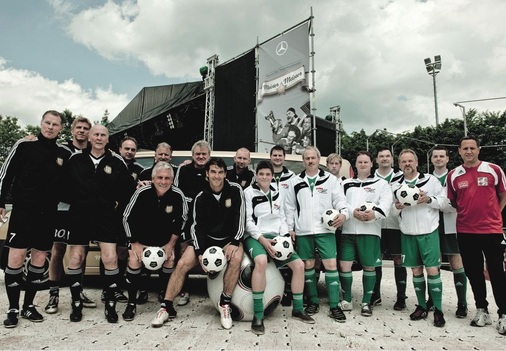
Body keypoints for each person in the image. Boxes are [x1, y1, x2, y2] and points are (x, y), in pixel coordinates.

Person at [151, 157, 245, 329]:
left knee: (237, 258)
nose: (217, 176)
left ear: (225, 174)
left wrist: (235, 241)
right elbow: (196, 227)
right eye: (213, 172)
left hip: (228, 241)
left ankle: (224, 304)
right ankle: (166, 307)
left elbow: (241, 219)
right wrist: (200, 252)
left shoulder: (235, 190)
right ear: (207, 174)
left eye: (220, 172)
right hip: (206, 240)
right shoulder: (201, 196)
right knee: (182, 263)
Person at [0, 110, 71, 328]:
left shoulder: (64, 153)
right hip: (23, 212)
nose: (50, 127)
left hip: (48, 214)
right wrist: (0, 202)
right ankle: (12, 308)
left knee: (39, 260)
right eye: (47, 123)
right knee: (16, 259)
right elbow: (6, 174)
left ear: (60, 128)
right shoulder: (24, 146)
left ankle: (28, 306)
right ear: (41, 124)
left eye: (55, 124)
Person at [63, 124, 136, 323]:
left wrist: (116, 202)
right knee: (76, 258)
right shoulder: (75, 159)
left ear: (107, 138)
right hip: (80, 216)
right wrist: (77, 201)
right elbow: (63, 185)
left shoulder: (116, 161)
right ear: (90, 136)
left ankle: (110, 305)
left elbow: (129, 189)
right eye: (96, 134)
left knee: (110, 258)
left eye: (103, 135)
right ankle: (76, 303)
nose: (99, 137)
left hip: (106, 217)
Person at [244, 161, 314, 334]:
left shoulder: (278, 193)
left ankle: (297, 309)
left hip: (277, 237)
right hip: (256, 236)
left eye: (268, 175)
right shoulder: (248, 192)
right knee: (260, 262)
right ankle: (258, 315)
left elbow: (282, 218)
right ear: (256, 175)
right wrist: (262, 240)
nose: (265, 177)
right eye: (261, 174)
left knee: (299, 265)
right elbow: (248, 222)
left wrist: (284, 238)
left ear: (272, 176)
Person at [447, 136, 506, 335]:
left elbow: (503, 195)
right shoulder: (454, 175)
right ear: (459, 151)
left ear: (479, 149)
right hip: (465, 230)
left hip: (491, 230)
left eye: (472, 148)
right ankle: (482, 310)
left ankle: (504, 313)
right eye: (465, 148)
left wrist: (494, 214)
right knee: (473, 273)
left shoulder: (494, 170)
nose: (469, 151)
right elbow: (454, 202)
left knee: (497, 273)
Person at [284, 146, 349, 322]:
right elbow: (289, 207)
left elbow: (340, 201)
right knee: (309, 266)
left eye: (313, 158)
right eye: (307, 158)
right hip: (303, 231)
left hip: (325, 230)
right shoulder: (295, 181)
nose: (310, 161)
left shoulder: (330, 180)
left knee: (330, 265)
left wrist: (344, 214)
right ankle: (312, 302)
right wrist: (290, 228)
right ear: (303, 160)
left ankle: (334, 306)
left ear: (318, 160)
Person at [121, 162, 188, 321]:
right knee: (134, 259)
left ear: (172, 179)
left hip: (164, 241)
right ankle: (131, 303)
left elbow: (182, 220)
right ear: (152, 178)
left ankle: (166, 301)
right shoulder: (142, 192)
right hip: (141, 240)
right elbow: (126, 217)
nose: (163, 181)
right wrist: (134, 243)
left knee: (170, 260)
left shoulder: (178, 195)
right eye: (159, 177)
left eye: (167, 178)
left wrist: (171, 244)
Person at [44, 116, 97, 315]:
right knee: (58, 250)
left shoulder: (93, 153)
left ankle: (78, 291)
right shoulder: (61, 150)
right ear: (72, 130)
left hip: (83, 210)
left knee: (80, 252)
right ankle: (53, 295)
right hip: (62, 207)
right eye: (79, 128)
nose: (82, 131)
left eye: (86, 128)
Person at [393, 149, 447, 328]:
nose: (407, 164)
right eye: (403, 161)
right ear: (399, 164)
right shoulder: (395, 184)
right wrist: (398, 207)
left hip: (428, 232)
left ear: (417, 162)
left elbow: (444, 202)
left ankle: (438, 310)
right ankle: (422, 306)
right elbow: (389, 211)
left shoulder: (430, 180)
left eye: (410, 161)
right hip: (408, 233)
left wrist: (428, 199)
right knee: (416, 271)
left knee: (432, 270)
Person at [339, 151, 392, 317]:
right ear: (356, 164)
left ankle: (366, 302)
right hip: (348, 231)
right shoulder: (346, 183)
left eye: (365, 162)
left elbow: (386, 204)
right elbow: (340, 202)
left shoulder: (381, 184)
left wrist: (374, 214)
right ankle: (346, 299)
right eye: (359, 162)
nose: (362, 164)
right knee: (344, 265)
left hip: (370, 232)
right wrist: (352, 212)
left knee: (369, 267)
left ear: (371, 164)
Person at [170, 140, 212, 306]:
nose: (201, 157)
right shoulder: (183, 169)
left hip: (207, 220)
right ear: (192, 155)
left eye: (204, 154)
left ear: (209, 156)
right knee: (183, 251)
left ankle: (214, 289)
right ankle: (183, 290)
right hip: (187, 219)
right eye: (198, 154)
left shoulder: (212, 170)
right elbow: (178, 193)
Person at [429, 146, 468, 318]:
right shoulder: (427, 179)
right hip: (431, 225)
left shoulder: (455, 176)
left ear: (447, 159)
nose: (438, 159)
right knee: (432, 263)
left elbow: (457, 202)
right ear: (431, 159)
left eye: (441, 156)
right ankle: (433, 299)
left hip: (452, 225)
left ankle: (462, 303)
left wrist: (440, 203)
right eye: (435, 156)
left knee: (456, 262)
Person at [371, 147, 407, 310]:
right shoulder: (371, 178)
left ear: (392, 159)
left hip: (396, 225)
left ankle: (401, 297)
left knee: (399, 260)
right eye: (381, 156)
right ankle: (375, 295)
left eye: (387, 156)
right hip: (376, 225)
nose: (384, 158)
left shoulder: (402, 177)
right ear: (376, 160)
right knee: (375, 260)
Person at [269, 145, 297, 306]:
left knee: (286, 257)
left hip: (286, 224)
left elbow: (292, 204)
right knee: (273, 259)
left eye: (280, 155)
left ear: (284, 157)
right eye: (275, 155)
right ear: (270, 157)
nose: (277, 158)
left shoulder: (292, 177)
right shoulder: (265, 175)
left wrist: (291, 227)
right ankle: (273, 290)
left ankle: (287, 292)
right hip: (270, 225)